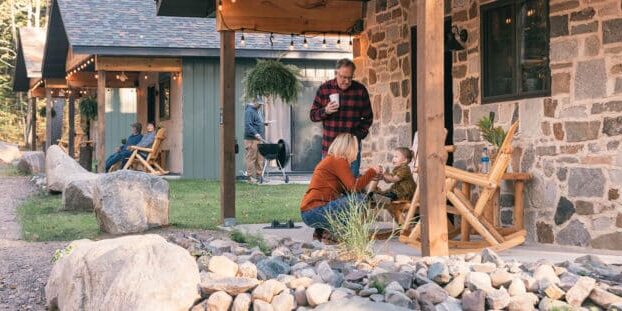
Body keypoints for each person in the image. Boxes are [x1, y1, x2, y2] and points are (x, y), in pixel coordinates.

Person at [300, 133, 383, 242]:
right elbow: (354, 187)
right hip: (315, 211)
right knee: (360, 199)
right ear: (349, 148)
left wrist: (368, 176)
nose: (357, 152)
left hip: (311, 212)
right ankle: (337, 234)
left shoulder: (332, 160)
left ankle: (323, 232)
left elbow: (349, 189)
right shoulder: (338, 160)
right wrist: (372, 171)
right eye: (356, 148)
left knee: (353, 198)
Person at [310, 58, 373, 177]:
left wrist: (357, 136)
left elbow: (368, 118)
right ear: (336, 73)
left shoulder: (360, 90)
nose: (347, 81)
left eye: (350, 77)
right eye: (343, 77)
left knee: (350, 187)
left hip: (351, 149)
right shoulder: (324, 89)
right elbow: (313, 115)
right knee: (328, 185)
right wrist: (326, 111)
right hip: (330, 147)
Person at [244, 97, 267, 183]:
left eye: (261, 104)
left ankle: (259, 177)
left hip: (259, 139)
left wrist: (264, 123)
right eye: (259, 104)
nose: (260, 106)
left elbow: (256, 122)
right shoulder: (249, 111)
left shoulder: (257, 110)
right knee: (251, 158)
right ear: (254, 102)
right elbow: (248, 125)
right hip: (251, 139)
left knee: (260, 158)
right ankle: (249, 177)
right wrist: (255, 133)